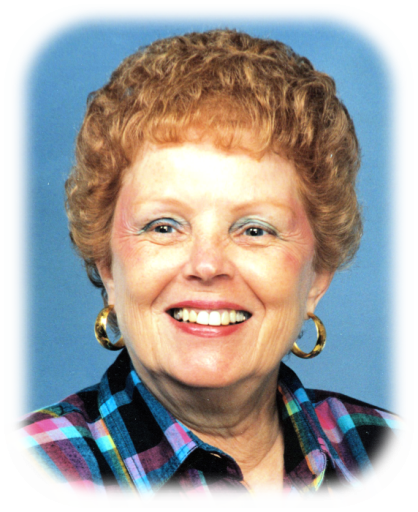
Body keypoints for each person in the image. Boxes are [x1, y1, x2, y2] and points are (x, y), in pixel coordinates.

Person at [5, 29, 413, 508]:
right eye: (164, 226)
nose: (207, 264)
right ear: (107, 266)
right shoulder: (29, 477)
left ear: (317, 276)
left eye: (255, 230)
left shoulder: (393, 455)